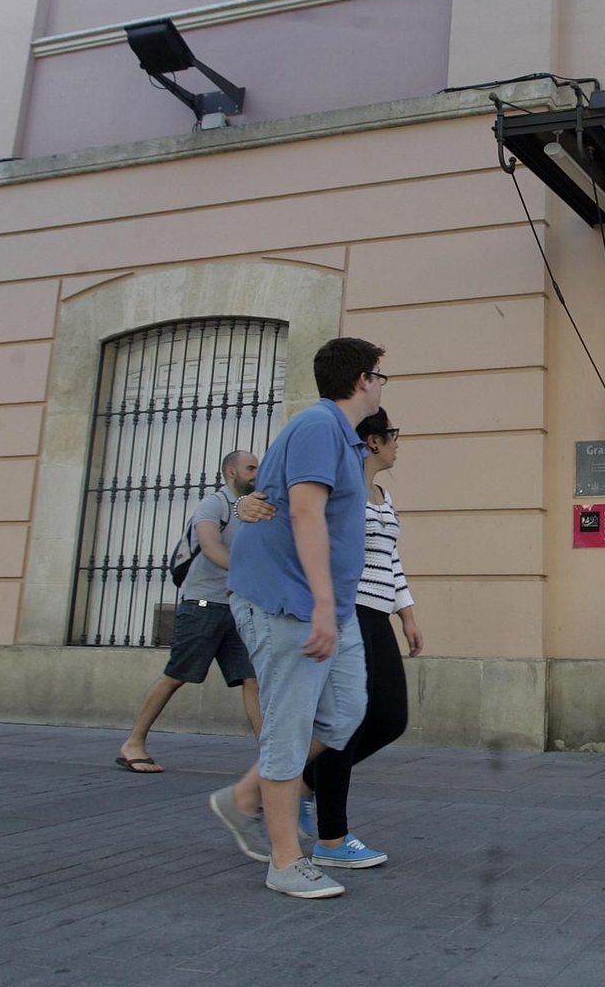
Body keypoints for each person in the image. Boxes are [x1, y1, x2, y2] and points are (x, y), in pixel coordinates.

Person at [206, 337, 385, 899]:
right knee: (288, 726)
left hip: (325, 601)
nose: (383, 384)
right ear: (362, 379)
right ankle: (285, 862)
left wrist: (249, 501)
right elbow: (306, 514)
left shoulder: (342, 438)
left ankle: (244, 796)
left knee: (347, 710)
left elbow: (277, 498)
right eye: (381, 375)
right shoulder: (317, 426)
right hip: (289, 602)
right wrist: (324, 609)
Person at [237, 408, 424, 869]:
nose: (399, 443)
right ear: (373, 442)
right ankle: (331, 837)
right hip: (346, 607)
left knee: (388, 719)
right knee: (348, 722)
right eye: (393, 435)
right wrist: (242, 506)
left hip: (379, 612)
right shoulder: (340, 488)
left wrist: (409, 615)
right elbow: (289, 517)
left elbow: (391, 561)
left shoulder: (382, 495)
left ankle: (298, 786)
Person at [116, 450, 261, 773]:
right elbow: (210, 548)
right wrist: (244, 576)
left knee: (253, 679)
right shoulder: (214, 505)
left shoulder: (251, 510)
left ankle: (271, 758)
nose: (256, 474)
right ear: (231, 473)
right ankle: (133, 742)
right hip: (202, 607)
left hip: (237, 610)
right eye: (250, 468)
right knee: (175, 676)